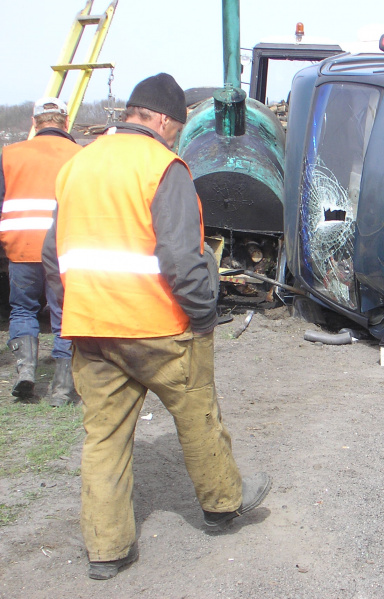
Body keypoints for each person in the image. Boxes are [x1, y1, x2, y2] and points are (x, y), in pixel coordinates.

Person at [41, 73, 271, 580]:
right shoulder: (163, 167)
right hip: (157, 328)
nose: (176, 136)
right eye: (178, 128)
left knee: (104, 438)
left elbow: (51, 255)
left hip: (91, 328)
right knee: (198, 414)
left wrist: (65, 317)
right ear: (164, 120)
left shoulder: (77, 164)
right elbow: (181, 258)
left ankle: (106, 551)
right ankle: (223, 506)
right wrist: (203, 316)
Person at [0, 97, 81, 405]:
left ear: (34, 123)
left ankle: (25, 372)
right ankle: (62, 390)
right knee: (64, 315)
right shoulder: (79, 156)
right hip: (62, 249)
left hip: (20, 247)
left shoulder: (10, 154)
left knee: (23, 310)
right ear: (66, 121)